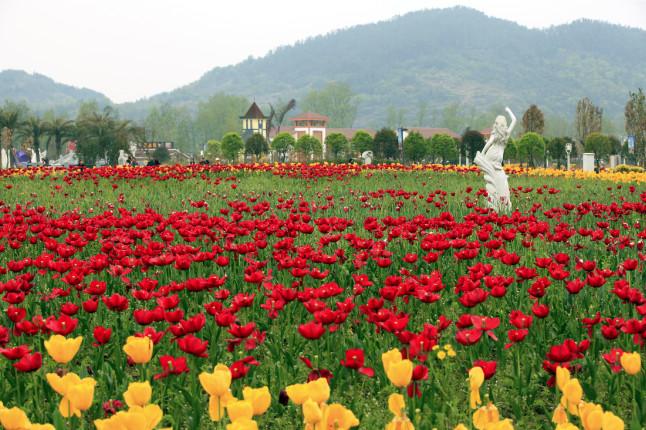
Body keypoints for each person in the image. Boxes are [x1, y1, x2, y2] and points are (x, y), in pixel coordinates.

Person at [474, 107, 516, 212]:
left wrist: (482, 154)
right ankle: (500, 205)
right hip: (497, 159)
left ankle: (495, 204)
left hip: (491, 157)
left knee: (493, 177)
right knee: (496, 178)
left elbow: (489, 143)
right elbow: (514, 120)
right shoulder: (505, 134)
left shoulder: (497, 134)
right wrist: (508, 110)